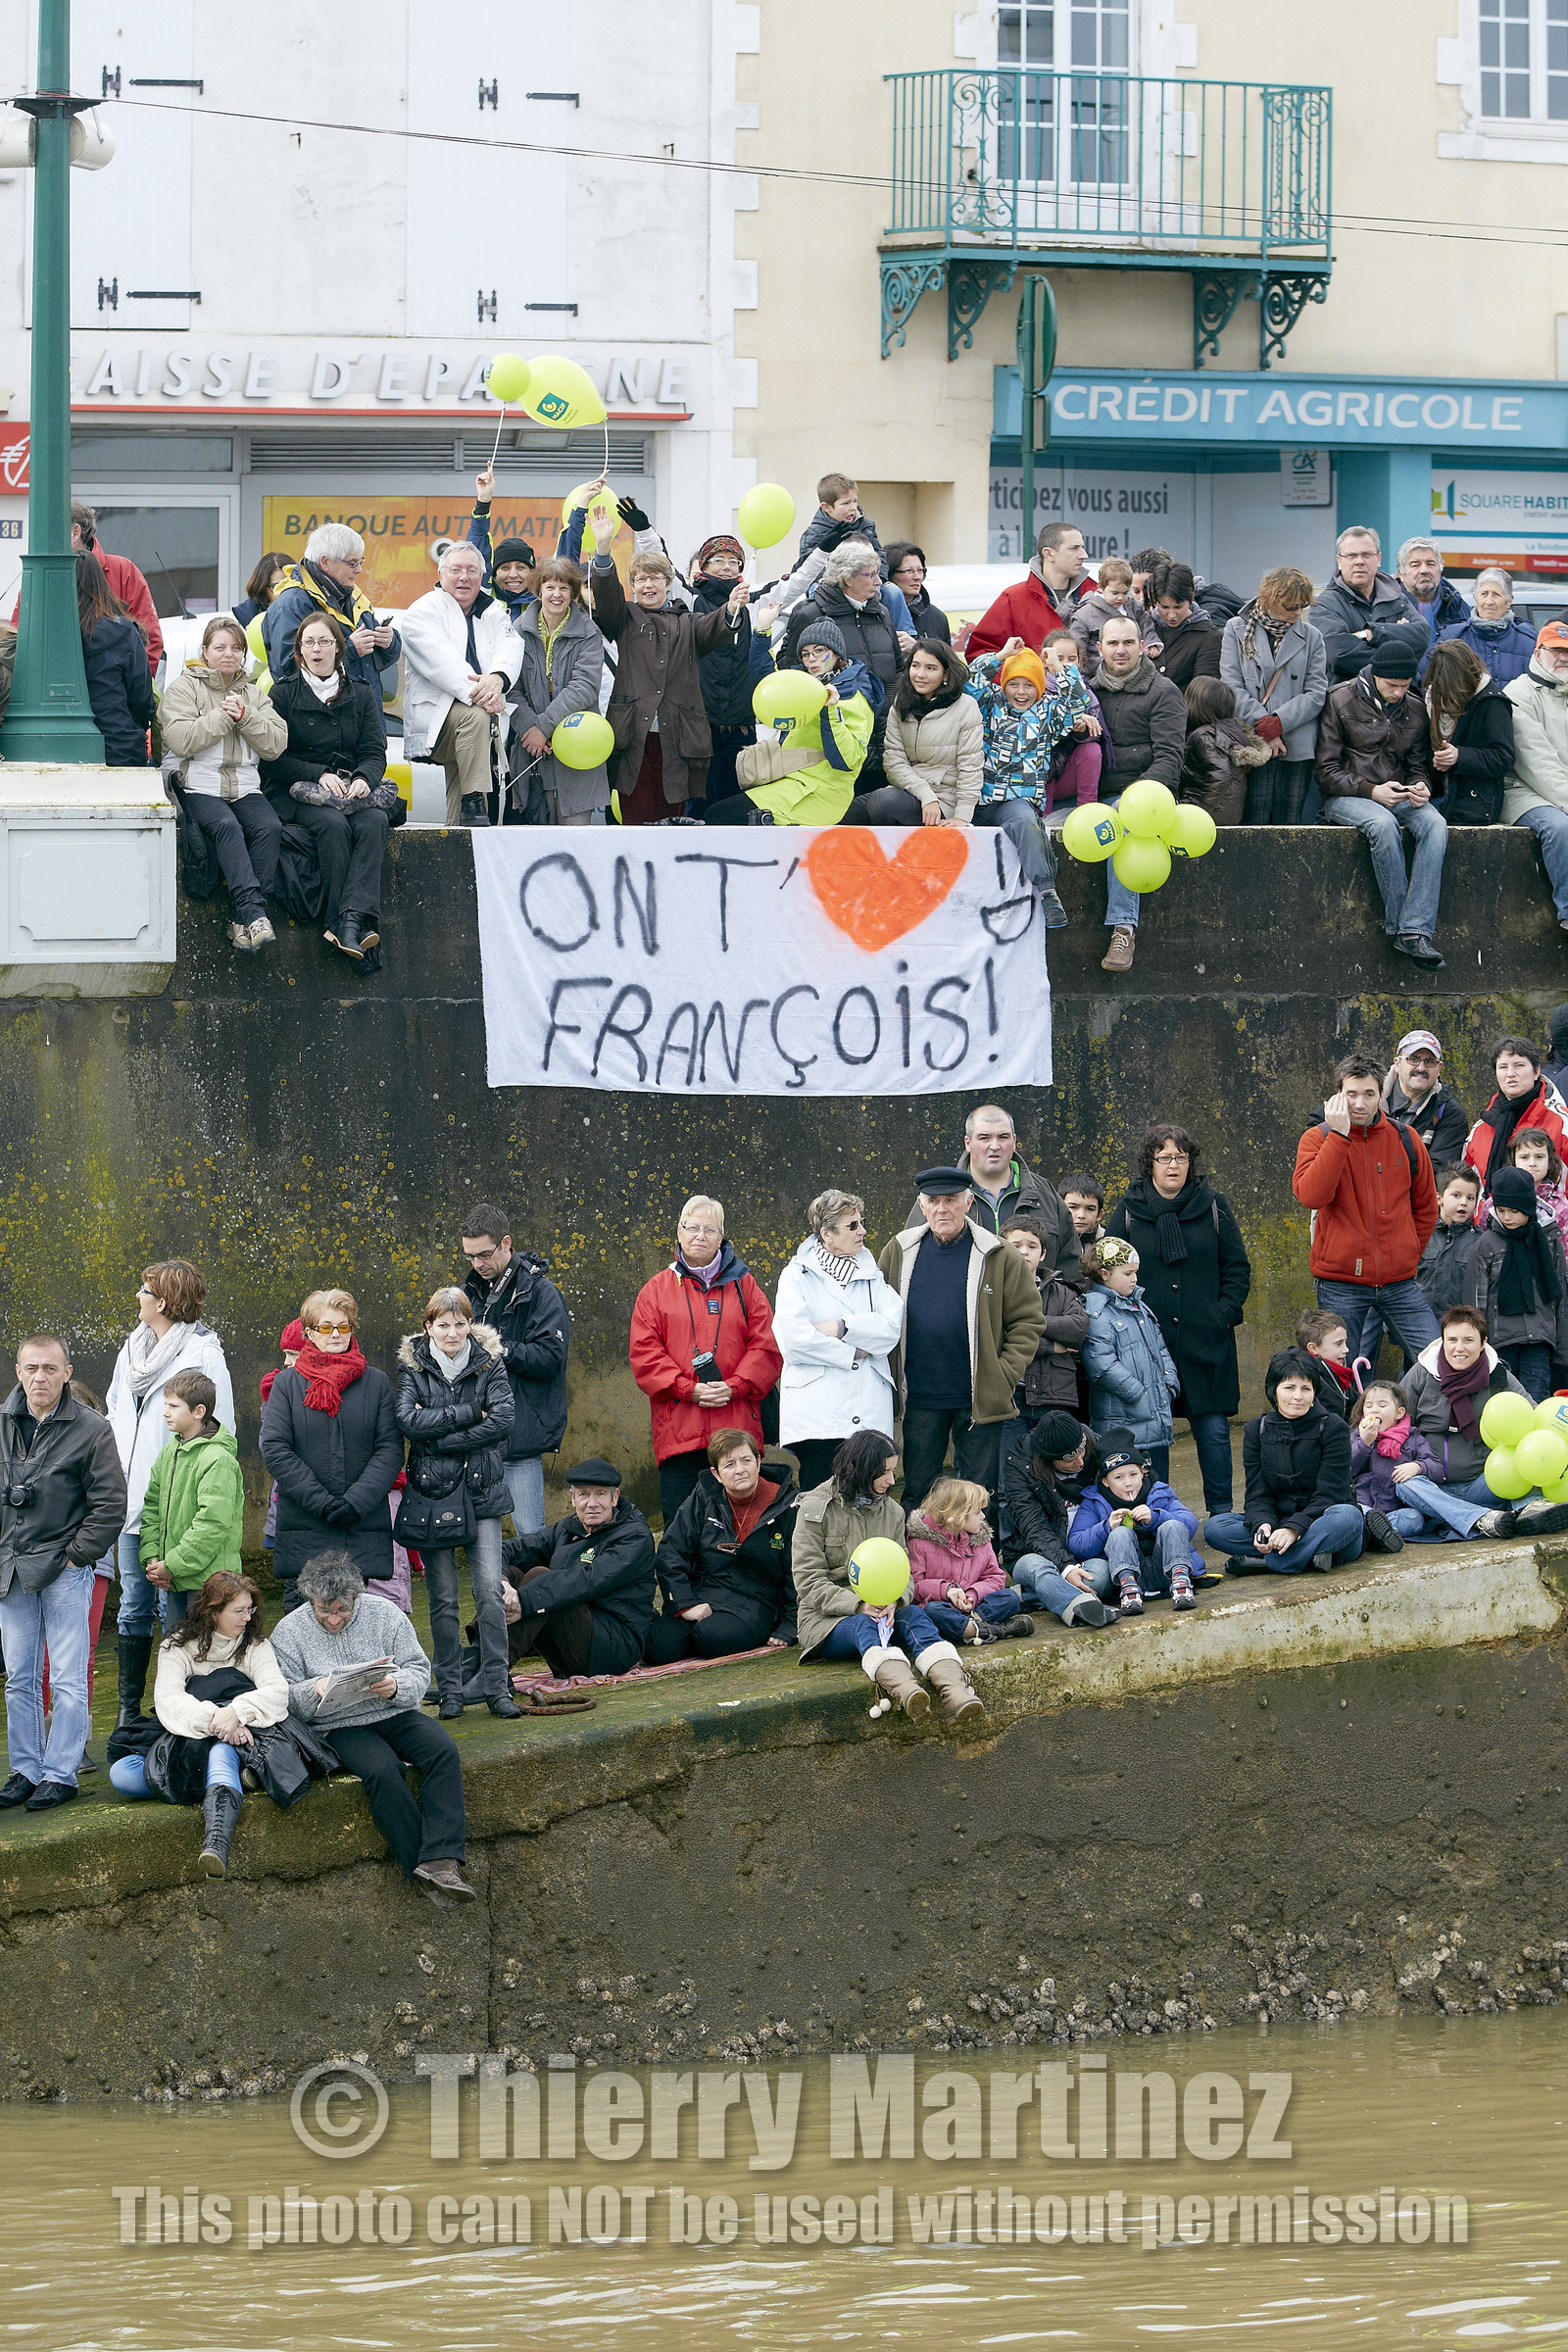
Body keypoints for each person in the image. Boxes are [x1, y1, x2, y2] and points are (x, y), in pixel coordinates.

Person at [271, 1551, 473, 1903]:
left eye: (342, 1609)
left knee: (443, 1751)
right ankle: (419, 1864)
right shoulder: (289, 1631)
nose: (334, 1618)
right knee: (382, 1770)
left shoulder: (384, 1613)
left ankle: (441, 1861)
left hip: (393, 1711)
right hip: (338, 1725)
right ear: (310, 1599)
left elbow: (417, 1667)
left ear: (356, 1597)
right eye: (325, 1610)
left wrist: (396, 1686)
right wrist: (313, 1689)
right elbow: (283, 1696)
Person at [107, 1572, 318, 1878]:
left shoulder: (255, 1645)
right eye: (239, 1611)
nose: (247, 1617)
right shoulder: (176, 1646)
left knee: (221, 1752)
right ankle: (235, 1779)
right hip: (189, 1733)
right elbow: (168, 1699)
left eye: (250, 1609)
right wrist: (218, 1721)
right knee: (122, 1774)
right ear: (213, 1611)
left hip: (250, 1734)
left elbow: (276, 1692)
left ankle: (217, 1841)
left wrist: (237, 1713)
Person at [0, 1335, 126, 1810]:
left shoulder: (92, 1429)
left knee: (69, 1679)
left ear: (67, 1373)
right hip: (11, 1570)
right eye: (31, 1368)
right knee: (20, 1677)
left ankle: (62, 1773)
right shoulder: (0, 1422)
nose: (40, 1377)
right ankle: (26, 1770)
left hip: (64, 1568)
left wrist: (76, 1556)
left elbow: (112, 1503)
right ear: (18, 1371)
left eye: (50, 1369)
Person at [106, 1261, 234, 1731]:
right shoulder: (132, 1349)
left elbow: (224, 1428)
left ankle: (172, 1708)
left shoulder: (202, 1352)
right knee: (133, 1607)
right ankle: (127, 1711)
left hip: (175, 1505)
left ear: (162, 1302)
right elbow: (116, 1405)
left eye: (143, 1290)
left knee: (174, 1610)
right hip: (130, 1502)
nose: (136, 1296)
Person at [878, 1166, 1047, 1511]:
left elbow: (1028, 1321)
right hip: (920, 1398)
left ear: (968, 1202)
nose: (942, 1209)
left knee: (978, 1495)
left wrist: (1001, 1375)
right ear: (921, 1205)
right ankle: (920, 1563)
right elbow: (876, 1313)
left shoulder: (999, 1254)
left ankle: (979, 1563)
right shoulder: (899, 1250)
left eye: (951, 1200)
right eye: (933, 1201)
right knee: (918, 1492)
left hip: (978, 1398)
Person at [1105, 1125, 1251, 1514]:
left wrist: (1223, 1314)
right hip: (1148, 1347)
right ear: (1149, 1163)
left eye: (1181, 1157)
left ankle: (1222, 1515)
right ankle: (1162, 1514)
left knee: (1215, 1431)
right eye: (1164, 1157)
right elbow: (1108, 1272)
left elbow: (1236, 1267)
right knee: (1153, 1437)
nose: (1173, 1165)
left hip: (1208, 1340)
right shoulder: (1129, 1211)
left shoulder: (1214, 1205)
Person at [791, 1432, 983, 1724]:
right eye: (885, 1473)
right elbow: (808, 1581)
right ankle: (908, 1692)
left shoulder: (892, 1512)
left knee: (916, 1618)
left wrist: (896, 1599)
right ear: (861, 1469)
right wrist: (859, 1604)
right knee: (861, 1626)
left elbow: (904, 1571)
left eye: (894, 1471)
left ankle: (956, 1692)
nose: (893, 1481)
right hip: (828, 1619)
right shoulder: (815, 1509)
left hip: (884, 1609)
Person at [394, 1289, 520, 1721]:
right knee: (443, 1597)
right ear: (428, 1327)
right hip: (432, 1496)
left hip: (482, 1491)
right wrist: (470, 1414)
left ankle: (496, 1684)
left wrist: (442, 1437)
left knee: (489, 1591)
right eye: (443, 1324)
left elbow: (504, 1420)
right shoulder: (412, 1365)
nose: (452, 1332)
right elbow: (407, 1422)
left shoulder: (491, 1361)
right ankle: (449, 1689)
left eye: (460, 1323)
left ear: (471, 1324)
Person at [629, 1196, 784, 1524]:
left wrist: (734, 1387)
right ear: (679, 1233)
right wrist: (688, 1389)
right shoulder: (654, 1290)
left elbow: (767, 1346)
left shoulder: (746, 1285)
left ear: (721, 1237)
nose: (700, 1235)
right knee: (682, 1527)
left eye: (710, 1229)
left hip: (736, 1428)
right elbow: (645, 1354)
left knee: (741, 1525)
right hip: (680, 1433)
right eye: (693, 1227)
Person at [588, 512, 745, 822]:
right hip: (633, 738)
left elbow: (714, 628)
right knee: (636, 821)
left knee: (673, 823)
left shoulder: (688, 622)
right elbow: (606, 596)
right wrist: (603, 548)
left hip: (678, 741)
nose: (648, 585)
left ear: (668, 584)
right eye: (641, 579)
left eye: (656, 578)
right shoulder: (624, 617)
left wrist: (732, 608)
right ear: (632, 585)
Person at [261, 611, 399, 961]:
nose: (316, 649)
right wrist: (318, 772)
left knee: (375, 821)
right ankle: (351, 924)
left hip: (351, 791)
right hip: (296, 790)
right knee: (334, 825)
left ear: (339, 648)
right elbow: (273, 759)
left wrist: (366, 779)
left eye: (324, 641)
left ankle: (348, 921)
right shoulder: (283, 693)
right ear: (299, 650)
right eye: (309, 642)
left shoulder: (361, 693)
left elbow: (373, 750)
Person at [259, 1289, 402, 1617]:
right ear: (308, 1332)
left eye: (344, 1326)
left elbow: (390, 1449)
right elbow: (276, 1448)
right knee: (305, 1621)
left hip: (361, 1522)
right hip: (306, 1522)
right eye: (326, 1327)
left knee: (355, 1618)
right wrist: (320, 1501)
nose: (336, 1334)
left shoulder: (377, 1383)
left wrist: (356, 1501)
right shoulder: (286, 1385)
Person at [1294, 1054, 1441, 1367]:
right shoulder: (1317, 1138)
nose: (1360, 1104)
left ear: (1381, 1096)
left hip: (1399, 1282)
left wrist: (1408, 1254)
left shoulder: (1406, 1138)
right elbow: (1311, 1195)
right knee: (1342, 1375)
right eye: (1352, 1094)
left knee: (1438, 1362)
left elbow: (1426, 1206)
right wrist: (1338, 1135)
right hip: (1341, 1284)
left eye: (1369, 1094)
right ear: (1338, 1095)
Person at [160, 614, 288, 953]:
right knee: (226, 826)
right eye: (220, 647)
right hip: (198, 786)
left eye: (236, 648)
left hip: (245, 787)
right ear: (204, 651)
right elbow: (179, 738)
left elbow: (276, 743)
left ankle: (243, 922)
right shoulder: (185, 687)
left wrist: (245, 716)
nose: (228, 654)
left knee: (269, 827)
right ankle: (255, 914)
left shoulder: (255, 694)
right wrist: (220, 716)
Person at [1315, 644, 1447, 968]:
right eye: (1392, 686)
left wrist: (1422, 786)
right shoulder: (1340, 698)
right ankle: (1408, 931)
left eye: (1404, 686)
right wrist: (1370, 790)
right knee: (1382, 825)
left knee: (1436, 825)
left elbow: (1419, 765)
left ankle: (1414, 929)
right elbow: (1325, 771)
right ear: (1375, 676)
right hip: (1347, 796)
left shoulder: (1414, 707)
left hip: (1398, 793)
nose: (1398, 692)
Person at [774, 1188, 903, 1496]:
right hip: (818, 1416)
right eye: (853, 1225)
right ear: (826, 1234)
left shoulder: (874, 1276)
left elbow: (890, 1329)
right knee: (820, 1501)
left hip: (868, 1409)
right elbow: (793, 1341)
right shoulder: (796, 1277)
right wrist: (854, 1351)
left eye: (861, 1222)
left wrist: (841, 1327)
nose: (863, 1231)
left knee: (867, 1499)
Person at [1404, 1303, 1568, 1535]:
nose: (1459, 1348)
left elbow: (1534, 1417)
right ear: (1442, 1341)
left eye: (1468, 1340)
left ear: (1483, 1343)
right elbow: (1395, 1418)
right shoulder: (1422, 1372)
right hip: (1433, 1488)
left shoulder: (1498, 1375)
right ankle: (1482, 1519)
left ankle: (1531, 1507)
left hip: (1485, 1484)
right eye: (1451, 1340)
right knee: (1405, 1484)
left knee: (1523, 1458)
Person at [459, 1204, 569, 1543]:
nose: (478, 1264)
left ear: (507, 1243)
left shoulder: (541, 1291)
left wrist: (498, 1349)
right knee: (479, 1537)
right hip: (477, 1434)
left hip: (520, 1437)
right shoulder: (470, 1292)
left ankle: (537, 1594)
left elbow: (552, 1357)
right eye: (469, 1256)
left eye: (485, 1254)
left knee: (531, 1536)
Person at [1201, 1348, 1364, 1576]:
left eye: (1306, 1389)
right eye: (1289, 1387)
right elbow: (1257, 1494)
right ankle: (1305, 1557)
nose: (1298, 1396)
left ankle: (1273, 1562)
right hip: (1277, 1524)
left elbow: (1331, 1494)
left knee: (1349, 1517)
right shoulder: (1256, 1429)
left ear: (1314, 1392)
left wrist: (1293, 1529)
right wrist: (1262, 1526)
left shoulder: (1332, 1426)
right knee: (1215, 1528)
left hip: (1320, 1521)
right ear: (1274, 1390)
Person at [959, 639, 1091, 917]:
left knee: (1028, 824)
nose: (1021, 692)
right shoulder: (990, 702)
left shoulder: (1049, 713)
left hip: (1015, 802)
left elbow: (1078, 702)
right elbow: (968, 680)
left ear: (1039, 687)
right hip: (972, 797)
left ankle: (1047, 892)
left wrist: (1057, 667)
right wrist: (1002, 655)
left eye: (1029, 684)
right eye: (1014, 684)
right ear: (1004, 685)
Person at [399, 540, 523, 827]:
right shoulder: (421, 611)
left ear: (482, 577)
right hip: (439, 722)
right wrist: (484, 694)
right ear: (441, 574)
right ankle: (475, 798)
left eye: (472, 570)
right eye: (456, 569)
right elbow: (442, 662)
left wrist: (497, 679)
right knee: (476, 717)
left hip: (482, 725)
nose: (464, 577)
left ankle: (458, 844)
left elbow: (511, 645)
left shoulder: (493, 609)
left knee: (463, 814)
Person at [645, 1428, 798, 1661]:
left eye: (746, 1460)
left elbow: (798, 1570)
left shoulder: (787, 1505)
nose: (740, 1470)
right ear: (716, 1474)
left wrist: (790, 1624)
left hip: (758, 1601)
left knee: (710, 1637)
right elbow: (671, 1550)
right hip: (706, 1591)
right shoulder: (703, 1496)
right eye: (729, 1465)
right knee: (658, 1647)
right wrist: (685, 1604)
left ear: (758, 1461)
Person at [502, 1457, 656, 1688]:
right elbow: (509, 1548)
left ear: (615, 1498)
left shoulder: (634, 1536)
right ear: (572, 1499)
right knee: (510, 1575)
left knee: (539, 1578)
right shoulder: (567, 1528)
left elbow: (588, 1580)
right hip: (569, 1646)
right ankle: (478, 1662)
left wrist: (524, 1599)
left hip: (612, 1648)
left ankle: (492, 1669)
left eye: (601, 1494)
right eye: (584, 1494)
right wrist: (503, 1583)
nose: (592, 1503)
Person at [1094, 614, 1188, 974]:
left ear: (1142, 647)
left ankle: (1122, 929)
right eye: (1113, 643)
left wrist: (1132, 798)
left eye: (1128, 643)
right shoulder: (1087, 690)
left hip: (1149, 796)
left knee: (1126, 830)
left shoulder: (1163, 692)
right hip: (1096, 795)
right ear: (1099, 648)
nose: (1121, 650)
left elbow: (1170, 759)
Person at [715, 612, 875, 825]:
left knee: (720, 816)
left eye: (819, 651)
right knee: (718, 807)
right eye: (806, 654)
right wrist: (762, 632)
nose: (812, 659)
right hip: (790, 781)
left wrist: (830, 712)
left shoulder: (853, 694)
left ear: (837, 654)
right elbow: (768, 682)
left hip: (817, 793)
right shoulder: (806, 684)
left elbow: (847, 761)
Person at [907, 1102, 1085, 1274]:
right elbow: (909, 1261)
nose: (994, 1146)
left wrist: (1058, 1302)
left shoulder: (1044, 1193)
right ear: (968, 1143)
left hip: (1036, 1303)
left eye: (1003, 1137)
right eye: (984, 1138)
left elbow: (1072, 1266)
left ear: (1014, 1141)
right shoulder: (938, 1194)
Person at [1218, 566, 1329, 825]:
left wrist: (1278, 723)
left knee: (1290, 823)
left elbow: (1316, 691)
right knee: (1253, 818)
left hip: (1295, 742)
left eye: (1302, 606)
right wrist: (1265, 727)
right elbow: (1231, 685)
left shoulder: (1312, 636)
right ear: (1270, 600)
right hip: (1253, 739)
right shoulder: (1236, 629)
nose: (1297, 613)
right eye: (1291, 606)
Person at [1349, 1377, 1513, 1548]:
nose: (1374, 1410)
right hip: (1364, 1506)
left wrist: (1418, 1466)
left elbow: (1437, 1470)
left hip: (1395, 1512)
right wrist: (1364, 1444)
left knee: (1414, 1518)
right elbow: (1345, 1471)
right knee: (1358, 1513)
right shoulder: (1355, 1437)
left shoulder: (1412, 1438)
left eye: (1382, 1405)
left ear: (1399, 1413)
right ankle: (1374, 1530)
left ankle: (1371, 1532)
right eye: (1368, 1406)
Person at [137, 1370, 245, 1630]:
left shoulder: (218, 1459)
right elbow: (151, 1507)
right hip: (175, 1577)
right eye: (166, 1405)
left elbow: (212, 1524)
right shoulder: (168, 1453)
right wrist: (152, 1560)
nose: (166, 1412)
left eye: (174, 1406)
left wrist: (171, 1565)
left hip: (209, 1583)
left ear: (198, 1411)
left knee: (207, 1657)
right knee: (178, 1652)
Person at [507, 556, 608, 824]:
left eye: (564, 588)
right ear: (538, 591)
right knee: (535, 844)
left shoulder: (589, 633)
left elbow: (584, 686)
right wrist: (530, 729)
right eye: (550, 587)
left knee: (575, 840)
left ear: (574, 594)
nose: (557, 594)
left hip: (578, 747)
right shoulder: (517, 631)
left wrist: (544, 727)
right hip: (534, 753)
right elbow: (510, 688)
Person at [8, 501, 164, 673]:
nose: (43, 540)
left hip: (112, 695)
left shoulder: (123, 571)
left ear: (75, 532)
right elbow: (17, 641)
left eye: (50, 532)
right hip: (54, 693)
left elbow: (150, 641)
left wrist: (132, 693)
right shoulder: (38, 577)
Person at [843, 640, 981, 826]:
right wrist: (925, 794)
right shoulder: (901, 704)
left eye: (931, 668)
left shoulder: (966, 706)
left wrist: (962, 816)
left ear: (946, 673)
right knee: (840, 814)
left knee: (884, 803)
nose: (920, 675)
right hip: (912, 790)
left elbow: (970, 765)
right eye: (915, 666)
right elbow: (893, 762)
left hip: (945, 799)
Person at [261, 523, 401, 705]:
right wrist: (349, 650)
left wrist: (389, 642)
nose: (359, 569)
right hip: (321, 723)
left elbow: (375, 663)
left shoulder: (353, 599)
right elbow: (288, 672)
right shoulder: (290, 605)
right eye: (352, 563)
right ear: (325, 562)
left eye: (360, 562)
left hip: (365, 719)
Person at [1001, 1411, 1115, 1628]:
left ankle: (1025, 1595)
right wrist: (1067, 1567)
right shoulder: (1019, 1465)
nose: (1080, 1462)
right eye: (1069, 1460)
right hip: (1032, 1552)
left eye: (1082, 1452)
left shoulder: (1095, 1444)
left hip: (1087, 1552)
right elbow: (1034, 1527)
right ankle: (1077, 1608)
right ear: (1047, 1458)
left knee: (1099, 1577)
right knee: (1036, 1568)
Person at [1067, 1428, 1200, 1613]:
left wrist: (1156, 1517)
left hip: (1166, 1569)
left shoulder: (1160, 1491)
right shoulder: (1094, 1500)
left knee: (1172, 1524)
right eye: (1118, 1477)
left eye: (1133, 1474)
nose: (1128, 1483)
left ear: (1143, 1472)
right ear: (1105, 1481)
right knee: (1121, 1532)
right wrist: (1106, 1527)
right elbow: (1076, 1545)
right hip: (1125, 1574)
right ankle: (1129, 1591)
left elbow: (1190, 1524)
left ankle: (1181, 1584)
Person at [1080, 1238, 1180, 1478]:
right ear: (1104, 1274)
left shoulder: (1139, 1307)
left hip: (1154, 1414)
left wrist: (1169, 1383)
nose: (1135, 1279)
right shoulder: (1097, 1312)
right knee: (1128, 1486)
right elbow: (1101, 1365)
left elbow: (1160, 1349)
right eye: (1127, 1273)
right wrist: (1139, 1393)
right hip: (1122, 1419)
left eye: (1135, 1272)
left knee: (1158, 1484)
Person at [1466, 1166, 1568, 1400]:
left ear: (1528, 1207)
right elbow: (1476, 1302)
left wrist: (1562, 1352)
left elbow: (1560, 1296)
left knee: (1536, 1399)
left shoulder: (1549, 1239)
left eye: (1514, 1211)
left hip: (1540, 1339)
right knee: (1503, 1401)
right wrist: (1478, 1343)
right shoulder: (1487, 1244)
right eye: (1501, 1210)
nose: (1507, 1217)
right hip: (1499, 1341)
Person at [906, 1475, 1030, 1642]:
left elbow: (996, 1577)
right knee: (931, 1611)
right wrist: (946, 1591)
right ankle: (994, 1630)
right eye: (978, 1512)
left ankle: (972, 1627)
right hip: (944, 1606)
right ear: (958, 1515)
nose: (983, 1517)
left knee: (1011, 1598)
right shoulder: (919, 1543)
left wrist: (972, 1595)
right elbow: (915, 1585)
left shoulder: (980, 1540)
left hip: (975, 1607)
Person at [1502, 620, 1568, 933]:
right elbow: (1538, 764)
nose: (1563, 658)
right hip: (1524, 791)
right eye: (1555, 650)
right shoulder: (1518, 693)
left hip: (1559, 790)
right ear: (1537, 652)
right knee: (1560, 827)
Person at [778, 541, 905, 703]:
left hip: (883, 723)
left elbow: (898, 668)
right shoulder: (809, 615)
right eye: (871, 574)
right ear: (848, 579)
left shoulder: (881, 612)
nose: (879, 581)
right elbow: (792, 672)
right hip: (835, 720)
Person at [1307, 526, 1430, 681]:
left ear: (1378, 559)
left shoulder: (1397, 598)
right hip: (1347, 701)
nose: (1360, 561)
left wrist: (1371, 634)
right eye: (1352, 555)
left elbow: (1422, 635)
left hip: (1397, 700)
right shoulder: (1324, 605)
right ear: (1339, 561)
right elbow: (1339, 656)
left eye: (1366, 554)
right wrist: (1398, 644)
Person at [688, 534, 756, 808]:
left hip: (740, 725)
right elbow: (661, 568)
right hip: (700, 724)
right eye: (718, 560)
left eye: (733, 561)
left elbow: (795, 581)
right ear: (703, 566)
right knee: (698, 801)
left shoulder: (752, 600)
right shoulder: (691, 599)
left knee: (735, 803)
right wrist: (644, 532)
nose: (727, 566)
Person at [1424, 638, 1515, 827]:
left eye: (1450, 695)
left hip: (1474, 802)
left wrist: (1459, 756)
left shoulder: (1492, 703)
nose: (1442, 702)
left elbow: (1503, 758)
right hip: (1432, 793)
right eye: (1439, 693)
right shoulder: (1429, 699)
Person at [76, 549, 154, 766]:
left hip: (59, 749)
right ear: (99, 582)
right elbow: (142, 698)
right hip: (119, 746)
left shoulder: (47, 633)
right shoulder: (125, 632)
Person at [1463, 1034, 1568, 1196]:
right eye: (1503, 1067)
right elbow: (1467, 1189)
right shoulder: (1481, 1128)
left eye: (1519, 1065)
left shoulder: (1561, 1122)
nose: (1510, 1073)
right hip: (1489, 1219)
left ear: (1536, 1071)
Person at [968, 522, 1092, 658]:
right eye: (1074, 548)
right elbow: (979, 653)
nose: (1084, 555)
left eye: (1082, 547)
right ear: (1049, 554)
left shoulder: (1098, 594)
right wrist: (1017, 677)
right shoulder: (1013, 598)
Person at [1177, 677, 1273, 825]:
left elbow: (1220, 776)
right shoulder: (1230, 731)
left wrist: (1202, 811)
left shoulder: (1205, 736)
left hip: (1209, 813)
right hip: (1228, 811)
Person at [1433, 568, 1536, 688]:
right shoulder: (1451, 638)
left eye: (1496, 594)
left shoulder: (1528, 643)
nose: (1489, 601)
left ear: (1509, 601)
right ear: (1475, 598)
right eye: (1484, 594)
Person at [1040, 632, 1107, 808]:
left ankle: (1087, 809)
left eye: (1071, 659)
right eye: (1058, 658)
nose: (1064, 664)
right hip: (1041, 777)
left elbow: (1097, 733)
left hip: (1069, 774)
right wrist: (1070, 717)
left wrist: (1080, 731)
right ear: (1045, 660)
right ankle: (1041, 816)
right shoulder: (1037, 689)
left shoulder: (1086, 690)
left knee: (1092, 749)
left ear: (1079, 661)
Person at [1383, 1029, 1469, 1163]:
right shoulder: (1369, 1101)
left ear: (1439, 1068)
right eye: (1413, 1059)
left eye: (1430, 1061)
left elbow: (1438, 1172)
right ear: (1397, 1064)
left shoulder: (1450, 1114)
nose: (1421, 1068)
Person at [466, 466, 538, 615]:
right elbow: (476, 551)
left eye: (521, 567)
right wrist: (483, 503)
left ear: (533, 572)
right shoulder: (483, 599)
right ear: (494, 574)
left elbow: (567, 558)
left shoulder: (545, 603)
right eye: (504, 568)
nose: (513, 574)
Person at [1067, 558, 1159, 675]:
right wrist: (1082, 671)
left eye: (1125, 593)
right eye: (1115, 593)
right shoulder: (1085, 615)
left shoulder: (1134, 606)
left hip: (1133, 670)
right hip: (1097, 672)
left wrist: (1152, 642)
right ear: (1100, 587)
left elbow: (1146, 624)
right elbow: (1077, 647)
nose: (1120, 598)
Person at [1418, 1164, 1484, 1321]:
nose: (1464, 1203)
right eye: (1456, 1195)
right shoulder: (1422, 1234)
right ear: (1439, 1198)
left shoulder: (1479, 1242)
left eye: (1470, 1198)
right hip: (1420, 1322)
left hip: (1459, 1327)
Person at [1149, 563, 1224, 690]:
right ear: (1155, 601)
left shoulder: (1209, 637)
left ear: (1192, 597)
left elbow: (1203, 696)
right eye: (1164, 607)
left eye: (1178, 607)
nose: (1171, 615)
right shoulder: (1145, 626)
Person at [794, 474, 887, 570]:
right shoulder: (814, 533)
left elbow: (879, 554)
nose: (853, 508)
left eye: (855, 501)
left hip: (869, 579)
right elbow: (810, 567)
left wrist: (882, 577)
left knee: (890, 586)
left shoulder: (866, 526)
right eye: (846, 503)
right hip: (829, 582)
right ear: (826, 507)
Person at [1396, 537, 1469, 642]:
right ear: (1401, 574)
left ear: (1440, 570)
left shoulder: (1458, 607)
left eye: (1430, 564)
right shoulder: (1386, 607)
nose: (1424, 570)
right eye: (1415, 565)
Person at [1508, 1127, 1568, 1252]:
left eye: (1539, 1157)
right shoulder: (1495, 1203)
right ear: (1513, 1160)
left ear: (1550, 1161)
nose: (1532, 1163)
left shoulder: (1561, 1207)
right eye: (1524, 1157)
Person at [1295, 1306, 1356, 1421]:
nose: (1346, 1349)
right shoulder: (1309, 1376)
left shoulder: (1338, 1371)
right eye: (1339, 1344)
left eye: (1345, 1342)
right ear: (1313, 1348)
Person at [885, 543, 951, 645]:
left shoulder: (937, 617)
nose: (917, 577)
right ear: (890, 574)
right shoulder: (879, 614)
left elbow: (946, 658)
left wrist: (916, 647)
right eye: (909, 571)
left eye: (920, 570)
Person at [233, 552, 290, 631]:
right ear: (262, 588)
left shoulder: (307, 612)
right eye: (276, 586)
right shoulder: (242, 620)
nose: (282, 592)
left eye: (287, 585)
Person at [1059, 1174, 1105, 1252]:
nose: (1081, 1215)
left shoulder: (1109, 1244)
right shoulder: (1050, 1240)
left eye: (1090, 1209)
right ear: (1059, 1208)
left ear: (1099, 1215)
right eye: (1073, 1207)